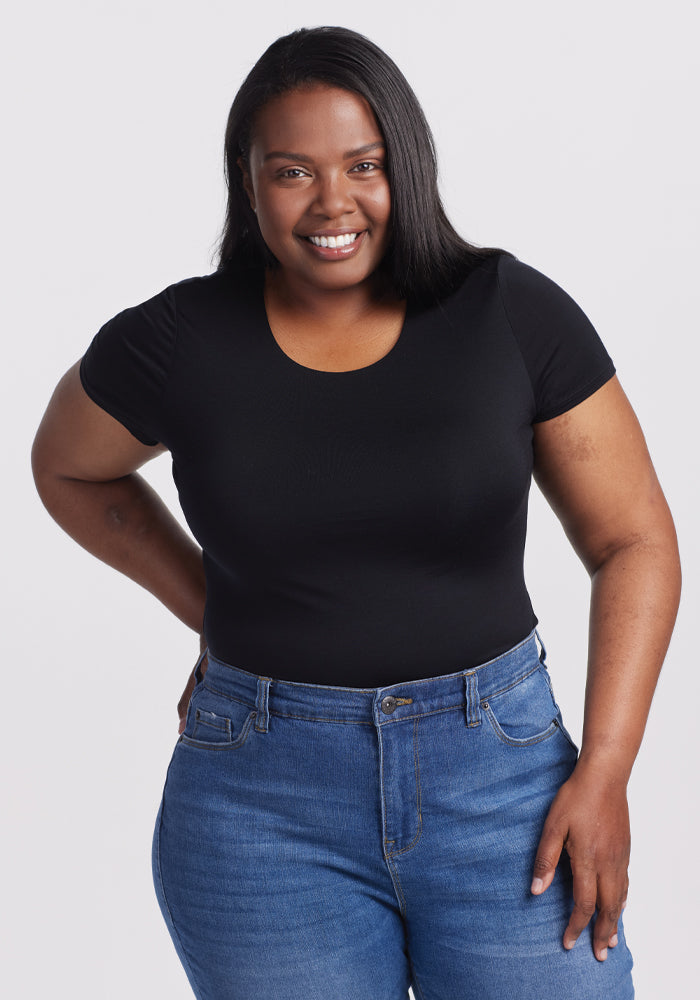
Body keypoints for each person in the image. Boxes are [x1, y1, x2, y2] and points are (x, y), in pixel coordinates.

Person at [31, 24, 680, 1000]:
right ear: (246, 182)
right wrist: (210, 606)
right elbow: (70, 468)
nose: (331, 202)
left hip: (506, 794)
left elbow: (633, 540)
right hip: (258, 804)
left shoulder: (508, 311)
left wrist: (607, 770)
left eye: (362, 165)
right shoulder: (179, 339)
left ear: (403, 168)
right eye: (291, 170)